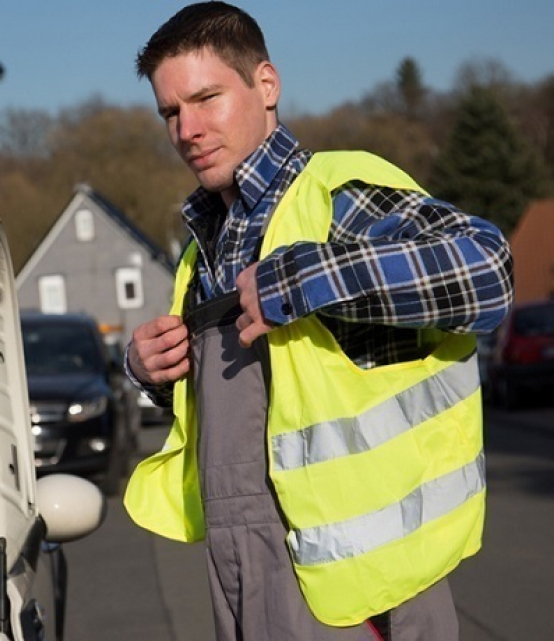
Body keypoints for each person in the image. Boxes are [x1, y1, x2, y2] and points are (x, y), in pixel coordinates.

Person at [122, 3, 514, 640]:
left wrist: (304, 277)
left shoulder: (336, 196)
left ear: (266, 86)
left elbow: (486, 269)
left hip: (364, 599)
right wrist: (153, 372)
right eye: (171, 112)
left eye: (206, 98)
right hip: (244, 582)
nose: (187, 129)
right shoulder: (199, 255)